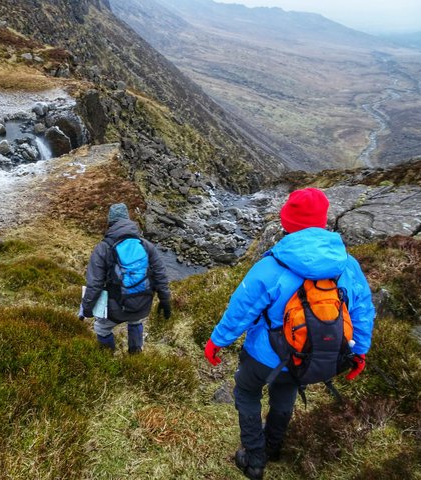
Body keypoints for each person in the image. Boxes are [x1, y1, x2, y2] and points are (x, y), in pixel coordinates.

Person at [204, 188, 375, 480]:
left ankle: (254, 459)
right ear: (323, 222)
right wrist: (358, 351)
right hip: (307, 357)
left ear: (287, 224)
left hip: (265, 355)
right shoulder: (347, 265)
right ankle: (273, 447)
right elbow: (362, 311)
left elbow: (241, 309)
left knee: (246, 392)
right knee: (286, 390)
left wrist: (217, 341)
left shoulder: (273, 266)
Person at [80, 203, 171, 353]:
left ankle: (107, 357)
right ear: (128, 221)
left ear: (110, 223)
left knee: (101, 328)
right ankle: (135, 353)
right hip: (143, 304)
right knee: (135, 320)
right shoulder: (145, 245)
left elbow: (95, 284)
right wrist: (165, 299)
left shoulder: (102, 248)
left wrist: (87, 309)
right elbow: (160, 274)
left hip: (116, 307)